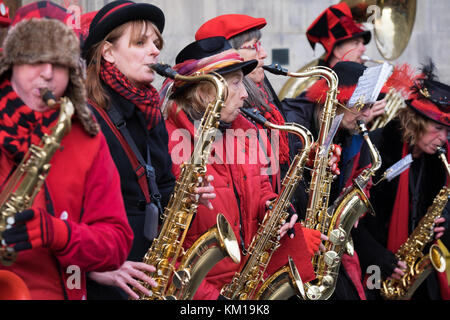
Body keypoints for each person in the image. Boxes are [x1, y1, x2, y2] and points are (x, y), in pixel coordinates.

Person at [163, 36, 321, 300]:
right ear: (205, 91)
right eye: (236, 83)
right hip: (199, 292)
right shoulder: (167, 143)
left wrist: (275, 210)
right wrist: (210, 298)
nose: (246, 93)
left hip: (249, 282)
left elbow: (260, 190)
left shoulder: (244, 131)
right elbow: (165, 250)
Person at [81, 1, 215, 300]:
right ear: (108, 52)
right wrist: (92, 266)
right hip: (106, 273)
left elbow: (161, 185)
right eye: (140, 42)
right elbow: (65, 207)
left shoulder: (149, 111)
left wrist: (184, 195)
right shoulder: (86, 117)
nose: (154, 50)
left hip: (144, 266)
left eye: (156, 43)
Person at [0, 1, 133, 300]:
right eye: (36, 59)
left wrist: (60, 233)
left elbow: (117, 243)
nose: (48, 74)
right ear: (11, 63)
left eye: (60, 63)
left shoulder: (85, 137)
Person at [283, 61, 392, 300]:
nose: (367, 115)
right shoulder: (295, 127)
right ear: (337, 101)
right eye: (362, 107)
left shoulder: (348, 128)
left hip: (326, 243)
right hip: (294, 244)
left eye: (370, 107)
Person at [353, 61, 450, 300]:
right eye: (438, 128)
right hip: (375, 266)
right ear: (416, 121)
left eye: (448, 131)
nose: (443, 138)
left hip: (422, 272)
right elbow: (350, 217)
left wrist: (447, 219)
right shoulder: (375, 147)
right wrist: (374, 254)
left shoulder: (443, 155)